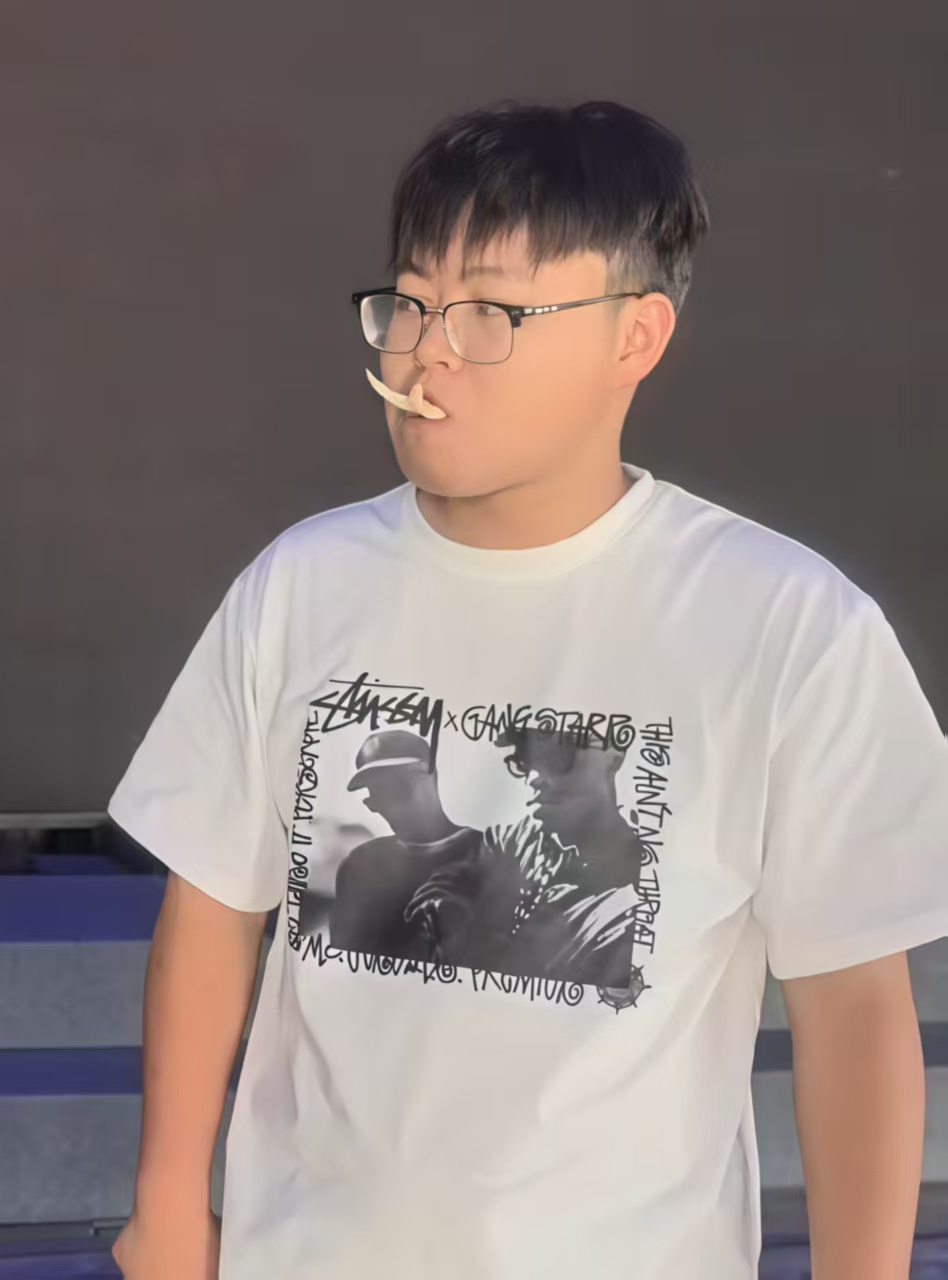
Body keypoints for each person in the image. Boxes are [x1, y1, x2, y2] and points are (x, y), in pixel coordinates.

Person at [107, 101, 948, 1279]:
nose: (426, 351)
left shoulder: (786, 626)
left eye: (489, 312)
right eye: (409, 303)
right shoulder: (300, 584)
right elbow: (210, 909)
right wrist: (163, 1204)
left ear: (633, 336)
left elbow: (851, 1006)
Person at [329, 729, 481, 963]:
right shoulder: (359, 866)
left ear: (430, 774)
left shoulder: (493, 855)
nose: (386, 807)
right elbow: (343, 963)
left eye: (395, 789)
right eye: (375, 797)